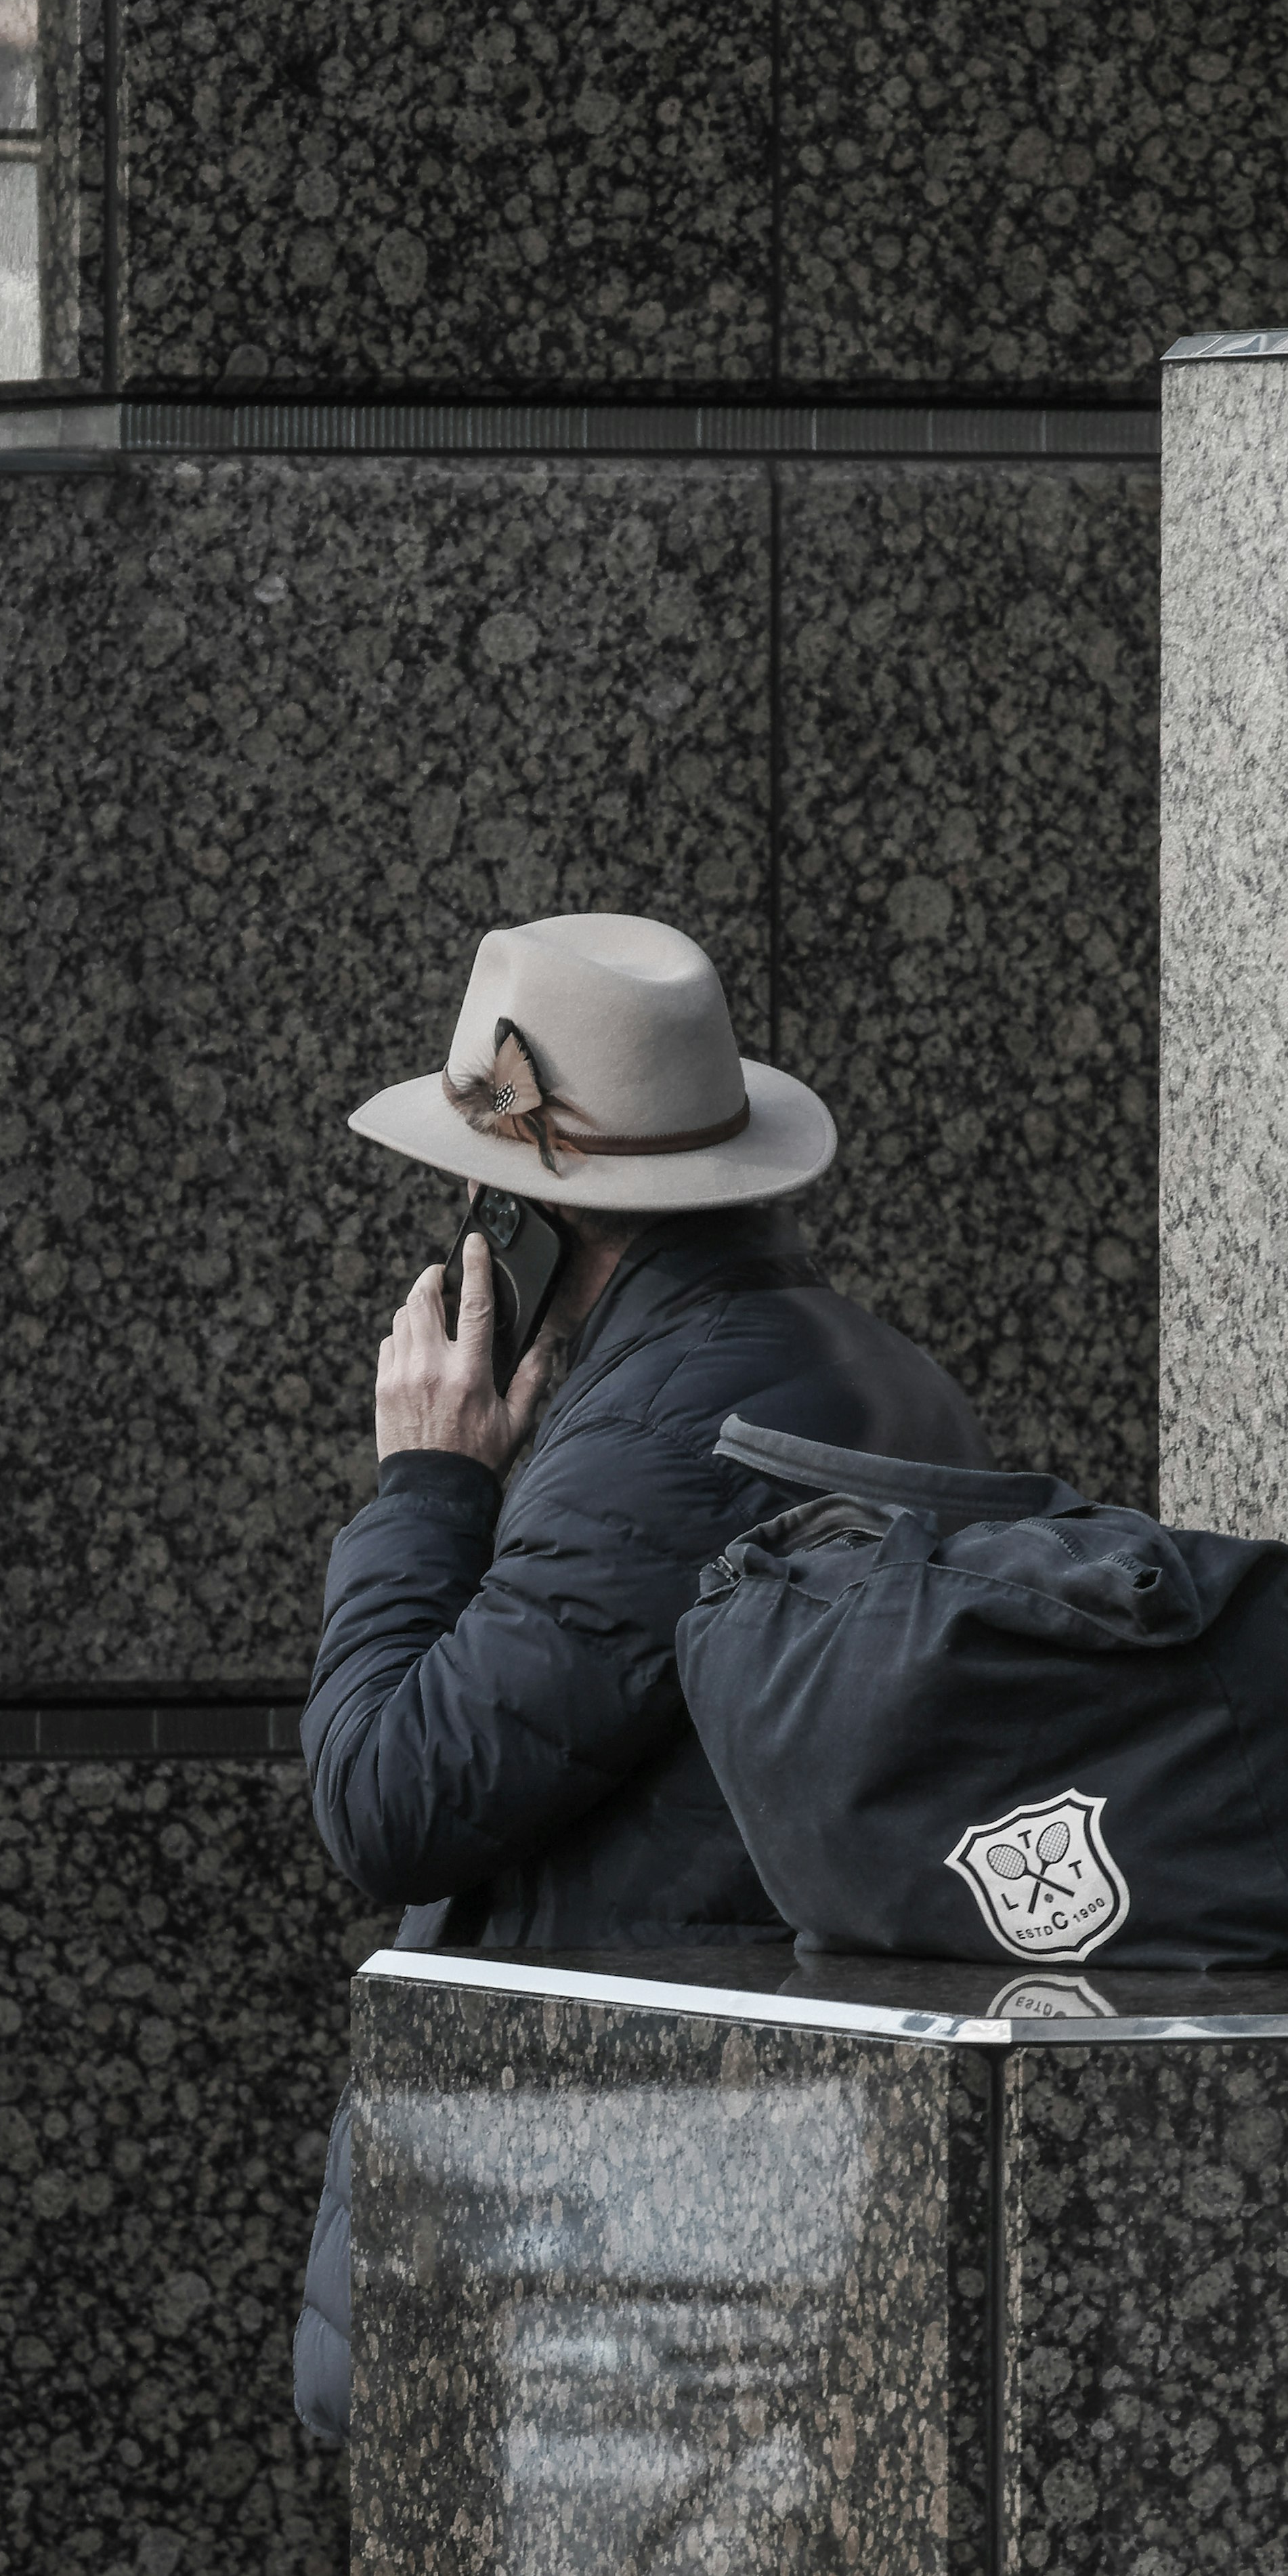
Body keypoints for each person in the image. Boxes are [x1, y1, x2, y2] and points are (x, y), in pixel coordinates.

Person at [291, 911, 988, 2443]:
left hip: (604, 2257)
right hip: (722, 2216)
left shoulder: (659, 1438)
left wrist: (425, 1485)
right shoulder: (854, 1364)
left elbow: (387, 1796)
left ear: (526, 1217)